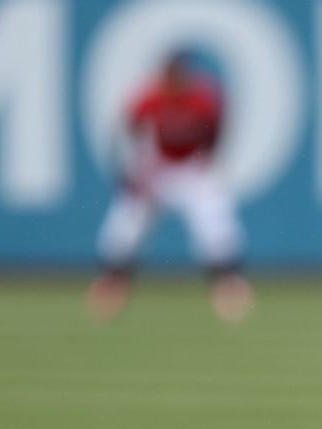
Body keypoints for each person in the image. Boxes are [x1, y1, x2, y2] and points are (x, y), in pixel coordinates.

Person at [87, 51, 251, 323]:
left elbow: (217, 130)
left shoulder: (201, 97)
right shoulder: (150, 96)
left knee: (215, 217)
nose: (174, 80)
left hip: (191, 166)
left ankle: (228, 286)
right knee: (127, 220)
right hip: (158, 166)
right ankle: (112, 284)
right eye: (170, 75)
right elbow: (126, 131)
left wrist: (208, 162)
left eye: (178, 75)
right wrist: (128, 171)